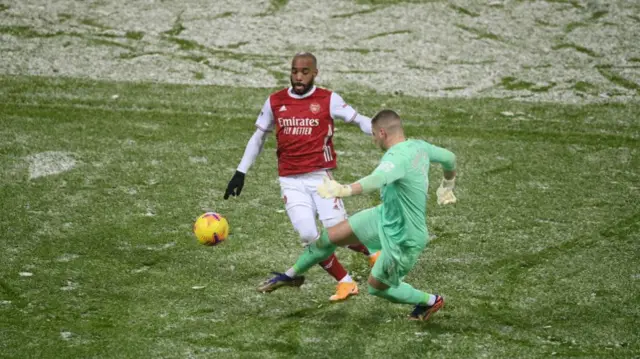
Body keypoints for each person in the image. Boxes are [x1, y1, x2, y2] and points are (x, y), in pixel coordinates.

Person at [261, 109, 458, 321]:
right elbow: (449, 158)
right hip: (384, 216)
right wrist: (447, 185)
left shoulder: (397, 157)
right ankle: (290, 275)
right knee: (331, 237)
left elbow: (377, 179)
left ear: (382, 133)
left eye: (373, 135)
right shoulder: (420, 146)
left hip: (403, 237)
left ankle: (430, 300)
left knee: (377, 287)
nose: (374, 140)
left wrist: (343, 190)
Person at [224, 52, 378, 301]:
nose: (298, 76)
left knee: (337, 232)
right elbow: (258, 137)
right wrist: (240, 172)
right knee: (308, 235)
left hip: (320, 178)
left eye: (304, 72)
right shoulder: (275, 101)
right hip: (290, 181)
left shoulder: (328, 99)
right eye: (294, 71)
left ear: (315, 73)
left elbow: (358, 119)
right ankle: (345, 282)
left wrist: (381, 130)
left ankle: (374, 253)